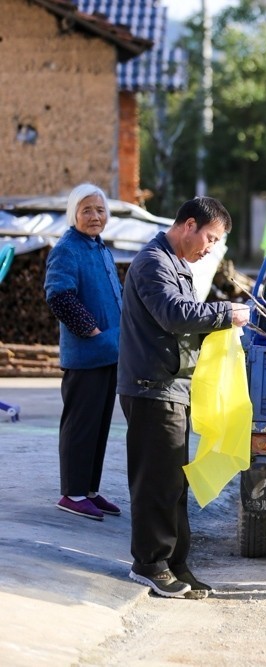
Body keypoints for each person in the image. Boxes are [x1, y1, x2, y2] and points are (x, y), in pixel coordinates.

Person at [117, 197, 250, 599]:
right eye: (209, 238)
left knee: (174, 482)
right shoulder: (152, 263)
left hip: (170, 387)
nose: (209, 248)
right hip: (150, 387)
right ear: (188, 225)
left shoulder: (176, 266)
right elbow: (174, 314)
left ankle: (175, 562)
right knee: (155, 481)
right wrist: (226, 313)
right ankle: (150, 564)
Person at [44, 184, 123, 521]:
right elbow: (59, 295)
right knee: (80, 425)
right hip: (86, 355)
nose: (95, 216)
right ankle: (72, 494)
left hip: (110, 352)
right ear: (74, 214)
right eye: (87, 210)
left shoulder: (99, 247)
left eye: (100, 210)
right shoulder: (67, 249)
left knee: (99, 425)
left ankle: (89, 490)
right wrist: (91, 330)